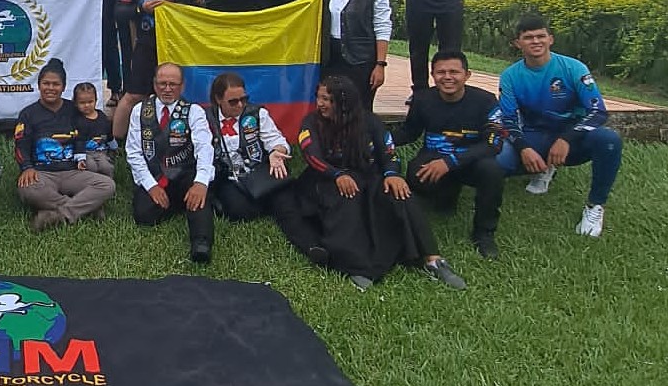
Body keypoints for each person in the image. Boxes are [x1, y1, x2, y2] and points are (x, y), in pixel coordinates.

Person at [286, 75, 466, 290]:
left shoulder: (370, 121)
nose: (321, 104)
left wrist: (392, 174)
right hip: (326, 178)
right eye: (319, 98)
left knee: (401, 194)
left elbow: (388, 152)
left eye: (328, 99)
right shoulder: (312, 123)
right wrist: (337, 175)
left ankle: (433, 260)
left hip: (368, 176)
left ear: (344, 102)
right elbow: (312, 156)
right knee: (348, 198)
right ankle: (356, 265)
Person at [497, 14, 622, 238]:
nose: (535, 41)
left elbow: (598, 111)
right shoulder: (510, 76)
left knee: (609, 141)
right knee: (500, 160)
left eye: (540, 36)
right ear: (518, 43)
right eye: (528, 37)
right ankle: (543, 168)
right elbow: (508, 119)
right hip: (535, 135)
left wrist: (566, 139)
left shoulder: (574, 68)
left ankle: (595, 206)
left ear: (550, 39)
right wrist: (523, 147)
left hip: (572, 136)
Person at [394, 50, 506, 258]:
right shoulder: (422, 99)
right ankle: (446, 198)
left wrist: (451, 162)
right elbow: (409, 132)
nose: (447, 77)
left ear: (467, 75)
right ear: (432, 74)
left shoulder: (486, 101)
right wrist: (379, 140)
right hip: (434, 158)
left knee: (492, 170)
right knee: (415, 172)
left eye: (454, 72)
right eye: (440, 72)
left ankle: (484, 233)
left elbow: (494, 143)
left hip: (472, 162)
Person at [111, 0, 203, 139]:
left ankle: (191, 140)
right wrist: (141, 8)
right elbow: (120, 12)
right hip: (148, 43)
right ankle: (115, 144)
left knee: (187, 94)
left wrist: (178, 5)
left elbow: (202, 6)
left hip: (182, 46)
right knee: (134, 95)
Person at [126, 62, 215, 262]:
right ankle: (178, 203)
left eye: (173, 84)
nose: (167, 89)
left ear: (182, 86)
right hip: (156, 176)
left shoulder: (194, 112)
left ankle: (201, 242)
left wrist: (200, 183)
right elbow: (133, 153)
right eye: (162, 83)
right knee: (144, 216)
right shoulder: (140, 110)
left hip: (184, 173)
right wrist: (151, 187)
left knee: (199, 196)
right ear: (154, 85)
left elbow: (205, 148)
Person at [14, 58, 115, 231]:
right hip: (42, 173)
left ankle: (55, 215)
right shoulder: (28, 114)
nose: (51, 88)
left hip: (73, 171)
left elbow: (94, 130)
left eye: (56, 84)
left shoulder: (74, 110)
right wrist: (27, 167)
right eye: (46, 83)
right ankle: (86, 208)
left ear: (63, 86)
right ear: (39, 85)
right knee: (27, 189)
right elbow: (20, 145)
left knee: (107, 185)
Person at [204, 70, 296, 225]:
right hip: (227, 176)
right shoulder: (204, 117)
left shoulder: (257, 113)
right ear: (218, 99)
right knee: (240, 211)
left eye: (244, 99)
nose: (240, 105)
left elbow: (277, 140)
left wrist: (276, 152)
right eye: (233, 101)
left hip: (256, 171)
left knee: (285, 197)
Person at [320, 0, 392, 111]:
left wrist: (380, 64)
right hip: (332, 59)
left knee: (360, 109)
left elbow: (382, 26)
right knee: (333, 107)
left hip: (362, 59)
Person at [72, 81, 117, 179]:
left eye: (90, 102)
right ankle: (91, 185)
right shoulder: (77, 120)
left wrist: (114, 147)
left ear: (96, 100)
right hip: (85, 152)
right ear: (75, 103)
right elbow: (78, 140)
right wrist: (80, 158)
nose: (87, 105)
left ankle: (108, 185)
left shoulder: (102, 116)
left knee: (106, 167)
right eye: (82, 103)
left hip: (101, 151)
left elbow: (108, 132)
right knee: (91, 167)